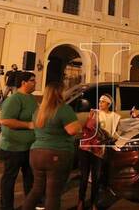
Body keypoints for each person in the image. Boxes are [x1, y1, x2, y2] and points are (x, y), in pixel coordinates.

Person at [22, 82, 81, 210]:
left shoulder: (39, 111)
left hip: (36, 153)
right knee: (53, 194)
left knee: (37, 189)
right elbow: (73, 130)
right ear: (59, 93)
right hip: (56, 154)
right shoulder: (63, 109)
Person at [0, 72, 37, 210]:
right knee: (9, 180)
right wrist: (28, 125)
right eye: (32, 80)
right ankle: (6, 207)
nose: (35, 83)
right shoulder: (14, 99)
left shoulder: (32, 98)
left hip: (30, 147)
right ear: (23, 83)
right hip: (13, 148)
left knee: (30, 179)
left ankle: (29, 205)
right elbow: (5, 120)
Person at [78, 94, 120, 210]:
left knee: (96, 178)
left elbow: (115, 133)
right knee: (84, 177)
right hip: (86, 148)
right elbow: (87, 127)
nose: (100, 103)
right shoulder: (94, 113)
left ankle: (93, 203)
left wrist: (112, 138)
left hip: (99, 149)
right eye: (99, 101)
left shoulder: (114, 116)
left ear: (108, 104)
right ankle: (80, 201)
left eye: (103, 101)